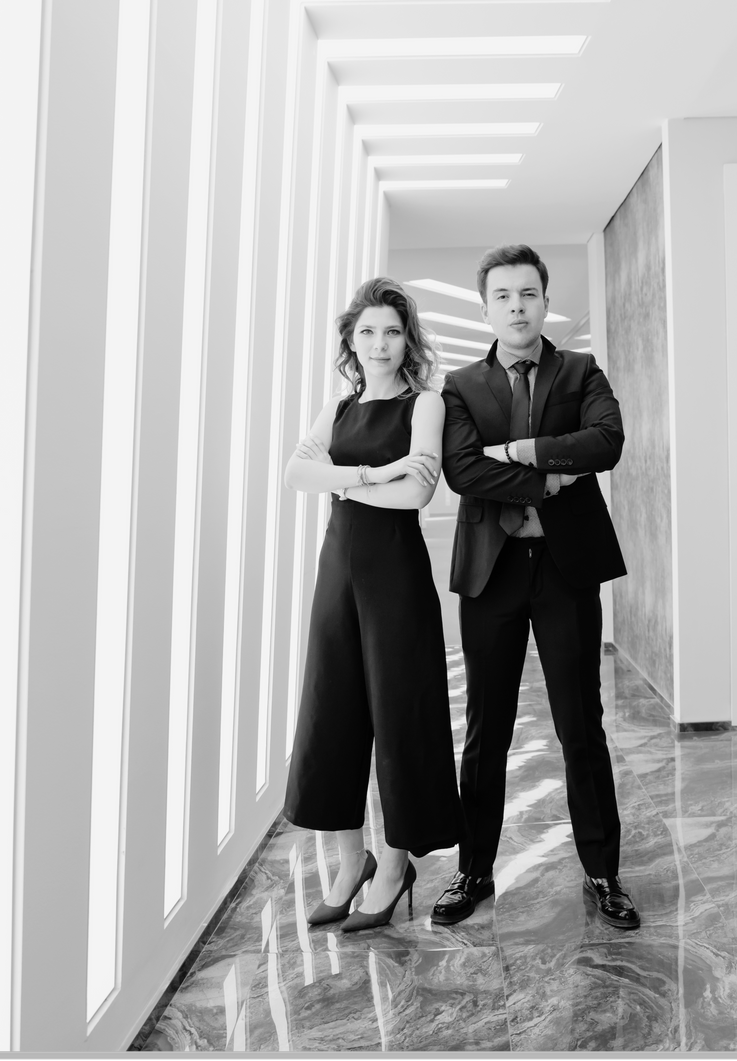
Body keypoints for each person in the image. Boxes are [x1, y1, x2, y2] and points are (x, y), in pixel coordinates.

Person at [432, 244, 639, 929]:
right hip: (490, 572)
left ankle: (603, 872)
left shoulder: (580, 370)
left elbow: (606, 441)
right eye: (502, 295)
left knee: (580, 724)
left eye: (527, 293)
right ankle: (472, 869)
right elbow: (463, 471)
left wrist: (521, 452)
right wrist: (551, 477)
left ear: (545, 301)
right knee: (485, 729)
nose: (516, 306)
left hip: (564, 568)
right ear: (485, 307)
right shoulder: (461, 386)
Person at [281, 277, 465, 933]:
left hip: (395, 577)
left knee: (398, 715)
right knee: (331, 712)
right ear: (351, 342)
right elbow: (294, 475)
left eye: (392, 331)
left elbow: (415, 495)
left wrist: (339, 481)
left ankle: (392, 867)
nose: (380, 343)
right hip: (336, 575)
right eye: (367, 332)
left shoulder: (425, 405)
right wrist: (372, 473)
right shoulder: (336, 410)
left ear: (407, 340)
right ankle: (347, 862)